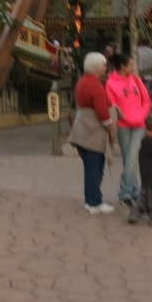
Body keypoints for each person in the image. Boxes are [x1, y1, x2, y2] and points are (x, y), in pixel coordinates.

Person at [68, 52, 116, 215]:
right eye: (104, 65)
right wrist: (111, 128)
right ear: (97, 67)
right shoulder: (95, 85)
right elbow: (102, 111)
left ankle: (89, 200)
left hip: (82, 128)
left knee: (89, 167)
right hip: (93, 131)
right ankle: (95, 201)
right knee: (96, 168)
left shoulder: (82, 81)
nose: (106, 67)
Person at [105, 54, 151, 207]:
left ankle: (124, 192)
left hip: (139, 125)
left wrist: (142, 115)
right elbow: (112, 106)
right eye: (131, 64)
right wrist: (123, 117)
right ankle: (135, 191)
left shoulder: (136, 80)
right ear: (123, 67)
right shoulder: (110, 83)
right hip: (123, 125)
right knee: (128, 159)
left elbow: (146, 99)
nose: (133, 67)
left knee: (131, 158)